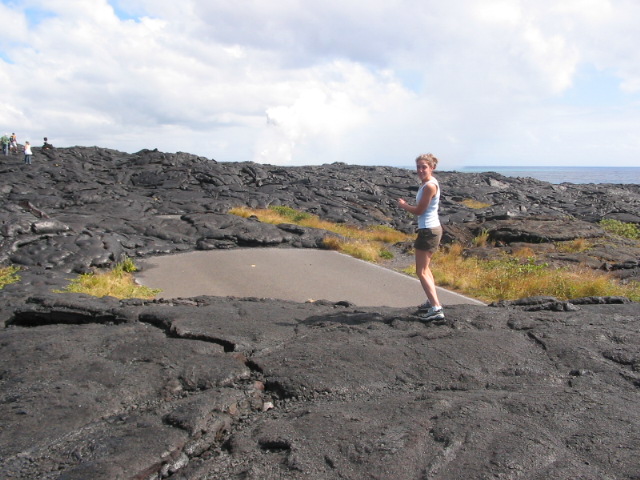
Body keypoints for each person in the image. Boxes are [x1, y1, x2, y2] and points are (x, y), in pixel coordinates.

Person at [397, 153, 445, 321]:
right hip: (430, 229)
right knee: (426, 269)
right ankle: (432, 301)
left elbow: (419, 211)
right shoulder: (427, 183)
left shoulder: (430, 186)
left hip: (428, 231)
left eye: (424, 167)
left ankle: (436, 308)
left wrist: (404, 205)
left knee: (421, 271)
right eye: (418, 167)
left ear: (432, 167)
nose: (420, 170)